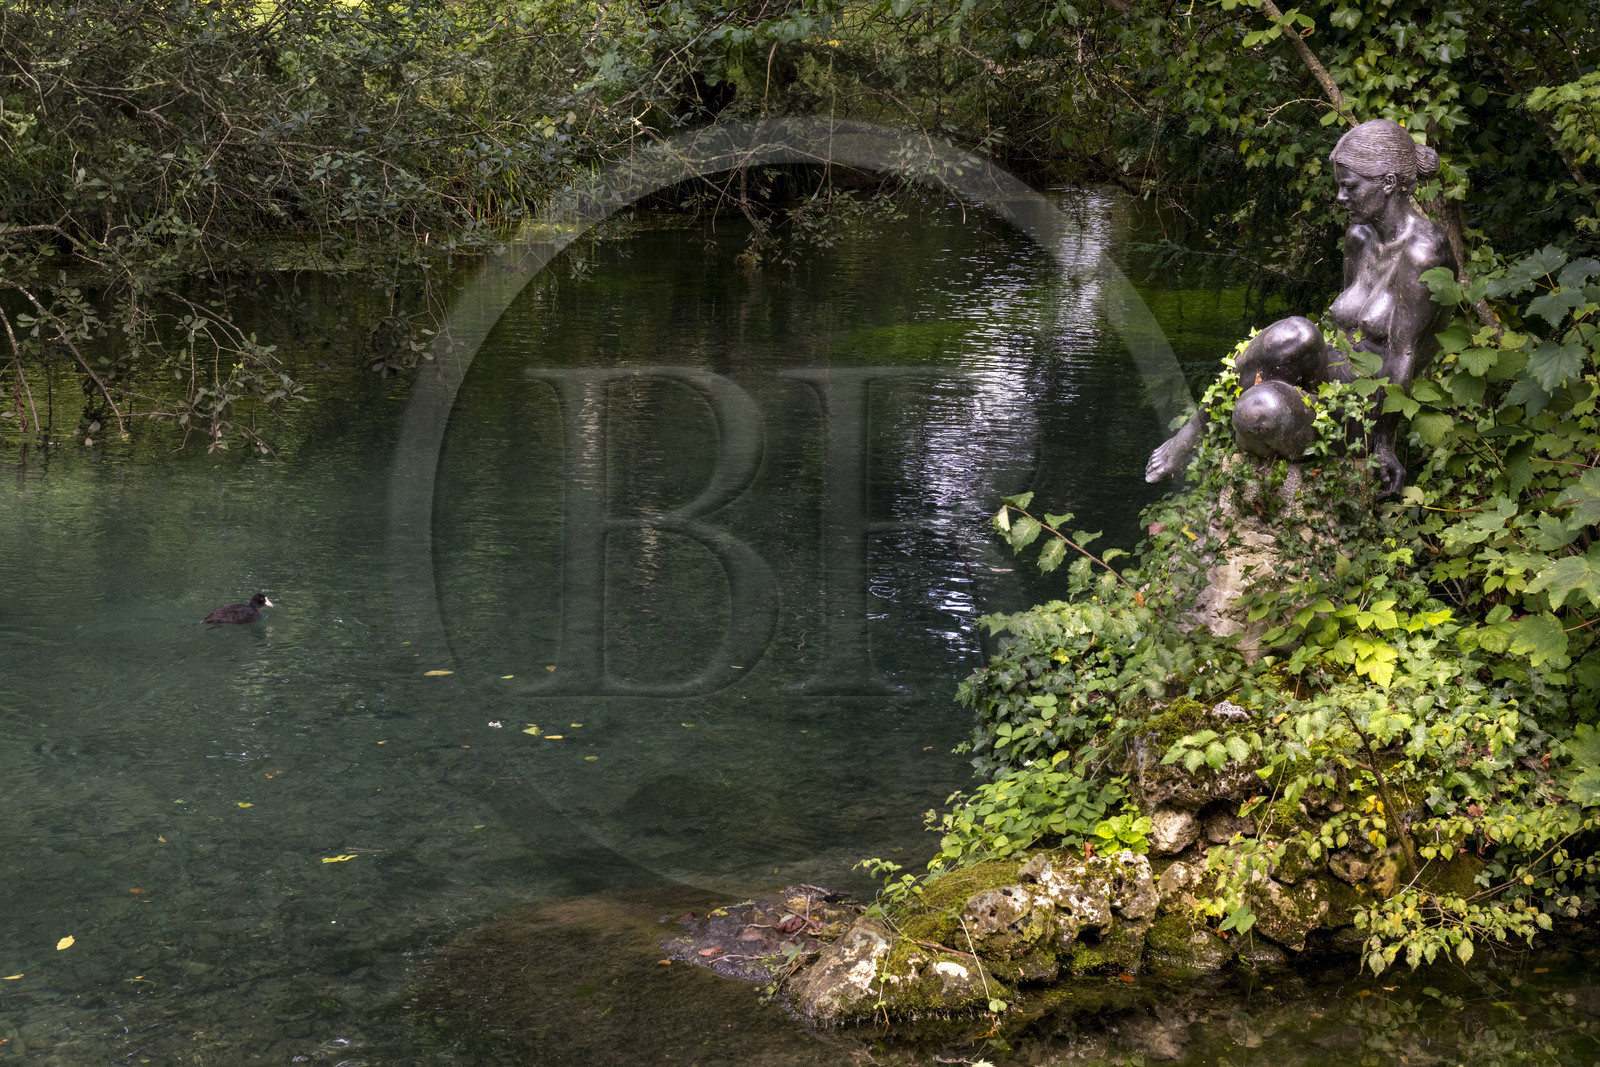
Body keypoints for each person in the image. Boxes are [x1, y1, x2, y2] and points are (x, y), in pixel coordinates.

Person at [1145, 118, 1459, 499]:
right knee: (1295, 330)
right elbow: (1344, 325)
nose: (1341, 198)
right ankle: (1196, 427)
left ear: (1388, 183)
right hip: (1332, 370)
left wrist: (1382, 445)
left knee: (1258, 410)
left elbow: (1402, 355)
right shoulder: (1359, 237)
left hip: (1361, 409)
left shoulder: (1425, 254)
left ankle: (1269, 414)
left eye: (1349, 187)